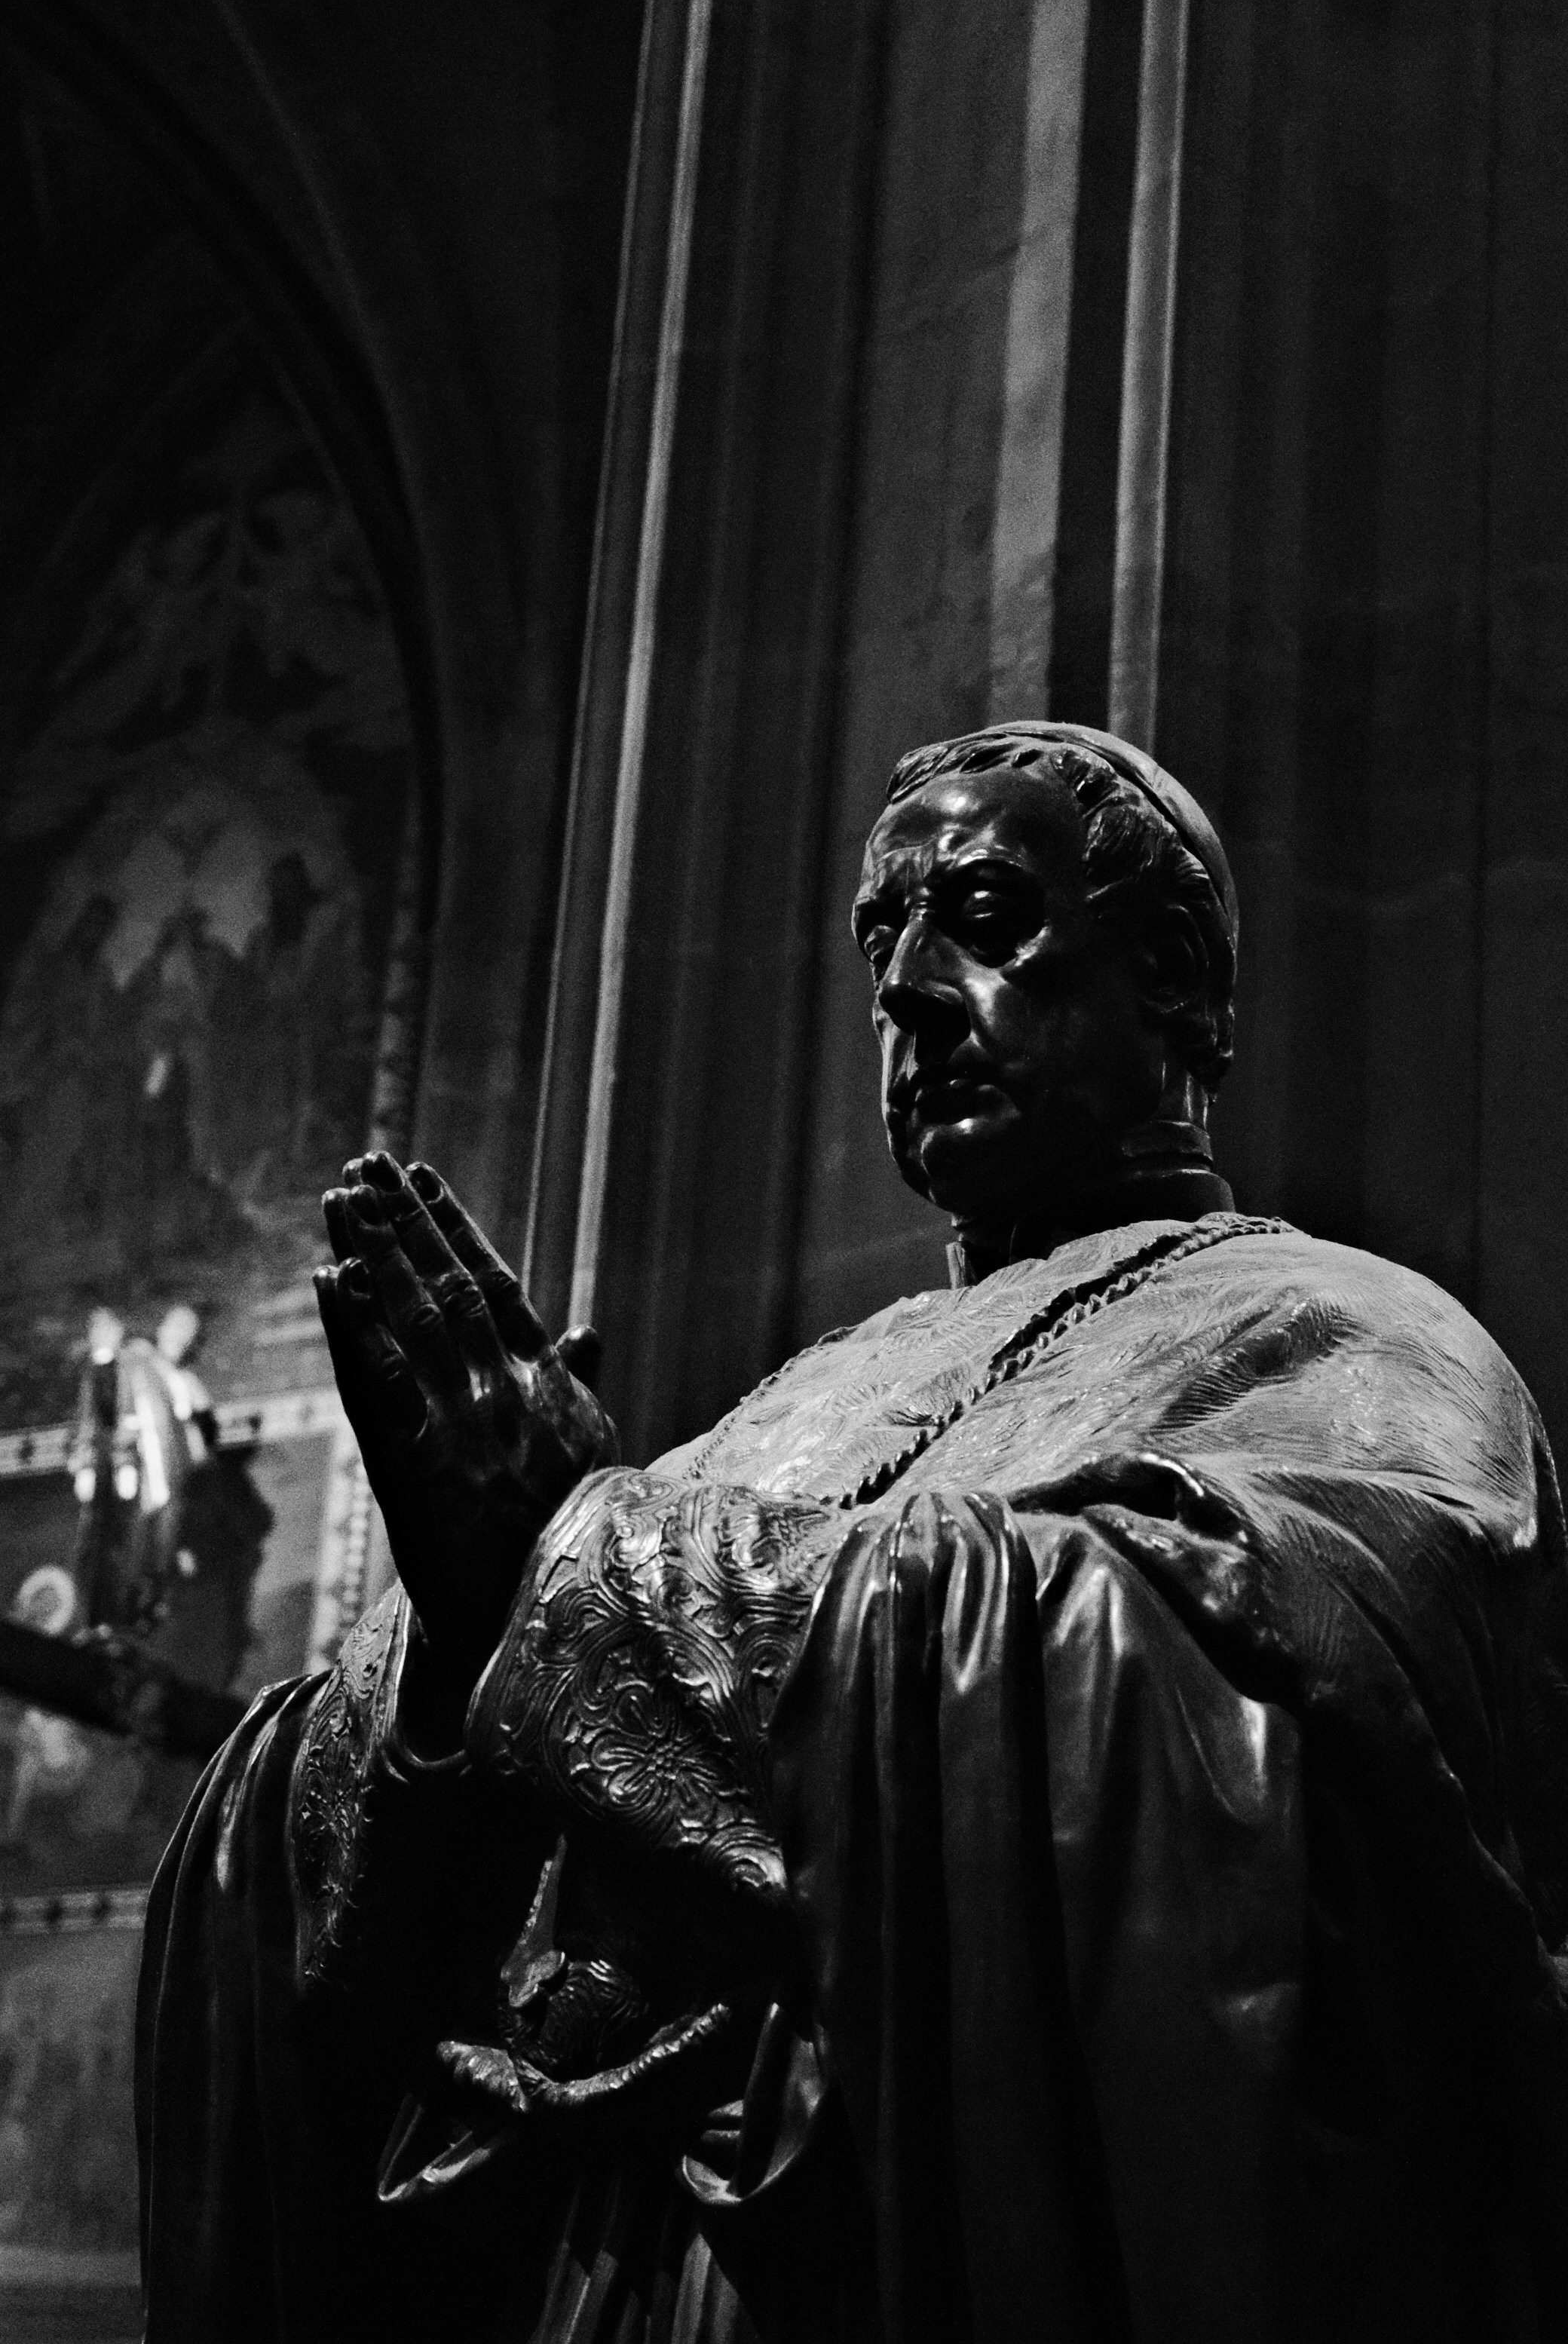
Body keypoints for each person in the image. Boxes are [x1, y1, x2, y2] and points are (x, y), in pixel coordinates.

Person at [136, 724, 1568, 2342]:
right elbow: (464, 1816)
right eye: (880, 941)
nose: (901, 990)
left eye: (977, 912)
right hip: (613, 2275)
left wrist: (581, 1559)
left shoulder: (1346, 1336)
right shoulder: (793, 1402)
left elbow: (1208, 1744)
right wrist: (461, 1633)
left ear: (1169, 972)